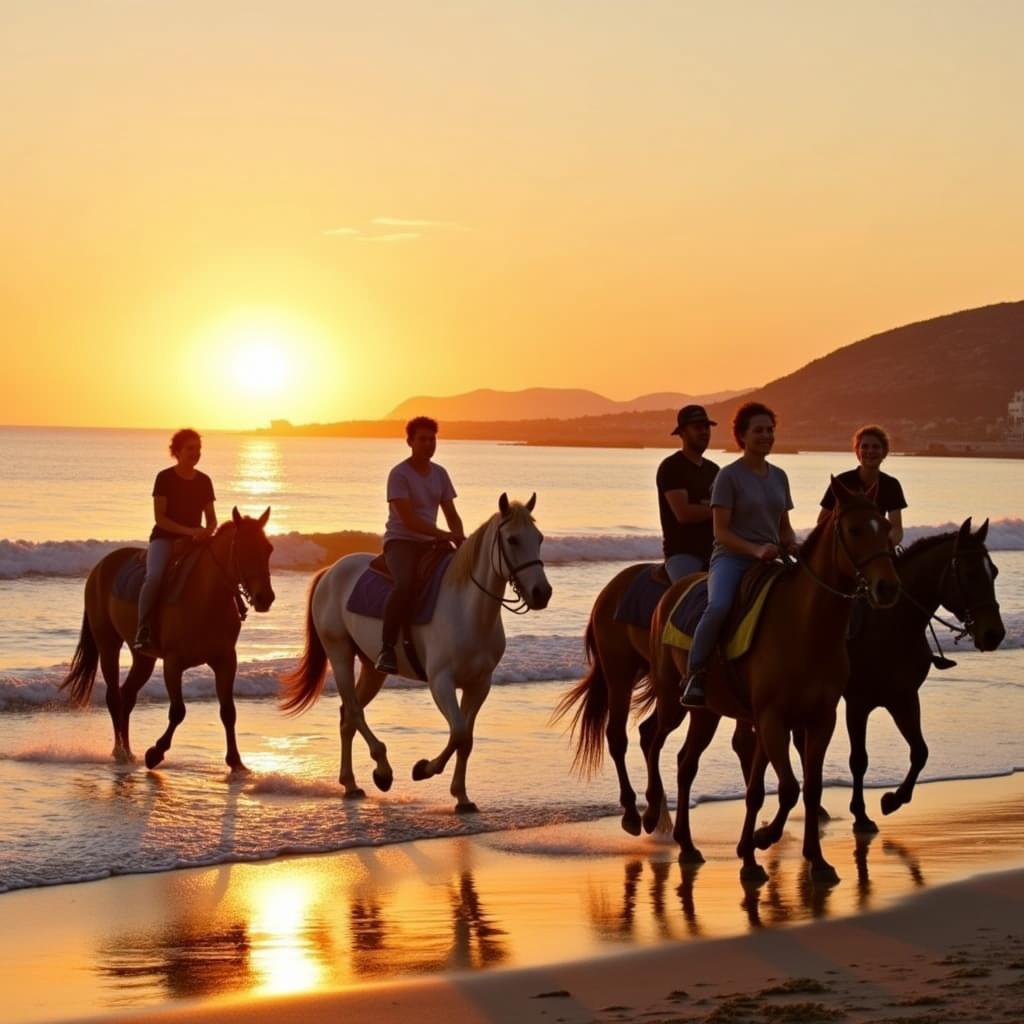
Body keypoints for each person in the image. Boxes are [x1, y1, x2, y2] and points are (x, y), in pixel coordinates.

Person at [680, 401, 798, 707]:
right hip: (732, 558)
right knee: (718, 606)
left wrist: (794, 545)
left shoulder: (780, 476)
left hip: (771, 558)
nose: (766, 436)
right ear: (742, 436)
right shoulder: (729, 476)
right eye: (758, 430)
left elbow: (783, 528)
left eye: (770, 430)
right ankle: (695, 674)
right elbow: (721, 532)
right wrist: (755, 549)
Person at [375, 416, 466, 674]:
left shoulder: (440, 473)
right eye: (422, 439)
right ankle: (387, 647)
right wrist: (441, 534)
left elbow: (452, 513)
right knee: (405, 583)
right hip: (401, 542)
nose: (428, 444)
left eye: (432, 439)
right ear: (410, 442)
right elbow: (408, 519)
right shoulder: (399, 474)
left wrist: (459, 538)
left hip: (432, 543)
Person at [133, 428, 217, 650]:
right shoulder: (165, 478)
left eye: (198, 449)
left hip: (195, 540)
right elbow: (160, 518)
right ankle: (143, 628)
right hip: (164, 538)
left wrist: (207, 532)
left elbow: (211, 520)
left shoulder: (204, 481)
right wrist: (190, 531)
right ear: (177, 451)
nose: (195, 453)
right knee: (155, 577)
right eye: (190, 448)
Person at [657, 405, 720, 581]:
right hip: (683, 555)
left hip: (716, 552)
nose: (704, 432)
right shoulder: (672, 467)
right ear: (682, 433)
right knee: (690, 597)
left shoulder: (714, 470)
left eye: (706, 427)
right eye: (697, 428)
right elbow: (683, 514)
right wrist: (716, 509)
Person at [818, 424, 906, 547]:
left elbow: (896, 529)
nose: (870, 451)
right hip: (844, 549)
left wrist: (886, 544)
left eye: (876, 447)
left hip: (876, 548)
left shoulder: (891, 485)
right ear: (857, 451)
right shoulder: (842, 482)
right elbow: (822, 521)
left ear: (884, 452)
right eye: (864, 446)